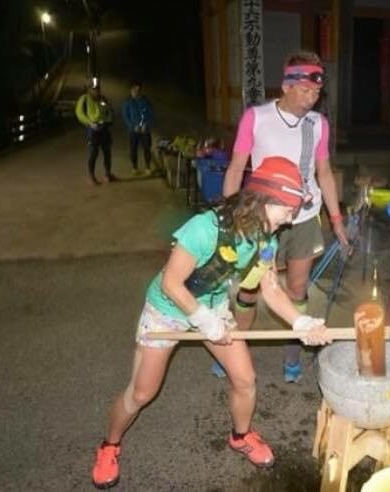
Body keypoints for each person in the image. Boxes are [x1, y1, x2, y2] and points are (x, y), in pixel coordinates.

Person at [90, 156, 333, 489]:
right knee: (142, 393)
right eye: (288, 210)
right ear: (265, 199)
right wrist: (201, 318)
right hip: (167, 309)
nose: (290, 219)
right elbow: (171, 283)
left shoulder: (267, 240)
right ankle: (109, 445)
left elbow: (271, 289)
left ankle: (241, 436)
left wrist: (300, 322)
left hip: (213, 307)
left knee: (245, 379)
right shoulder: (205, 228)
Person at [222, 51, 348, 383]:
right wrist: (229, 216)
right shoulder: (256, 118)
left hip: (304, 217)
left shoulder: (318, 124)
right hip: (261, 218)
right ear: (287, 86)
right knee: (249, 289)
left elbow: (324, 172)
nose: (312, 97)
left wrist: (336, 219)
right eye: (305, 90)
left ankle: (293, 354)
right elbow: (236, 168)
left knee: (297, 287)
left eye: (316, 91)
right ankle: (234, 350)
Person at [76, 82, 116, 185]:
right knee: (94, 152)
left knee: (107, 151)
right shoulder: (84, 99)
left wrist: (109, 120)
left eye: (97, 89)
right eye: (93, 89)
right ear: (89, 89)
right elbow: (79, 113)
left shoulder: (102, 99)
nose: (96, 91)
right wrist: (89, 123)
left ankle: (107, 175)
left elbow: (109, 110)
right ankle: (91, 176)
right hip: (93, 129)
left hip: (104, 128)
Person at [121, 81, 155, 176]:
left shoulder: (145, 101)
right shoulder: (127, 102)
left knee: (147, 148)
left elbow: (151, 114)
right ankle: (135, 167)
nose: (136, 91)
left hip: (145, 129)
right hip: (133, 130)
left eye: (138, 89)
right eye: (134, 89)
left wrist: (146, 124)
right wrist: (133, 126)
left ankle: (148, 167)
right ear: (130, 90)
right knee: (133, 149)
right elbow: (126, 116)